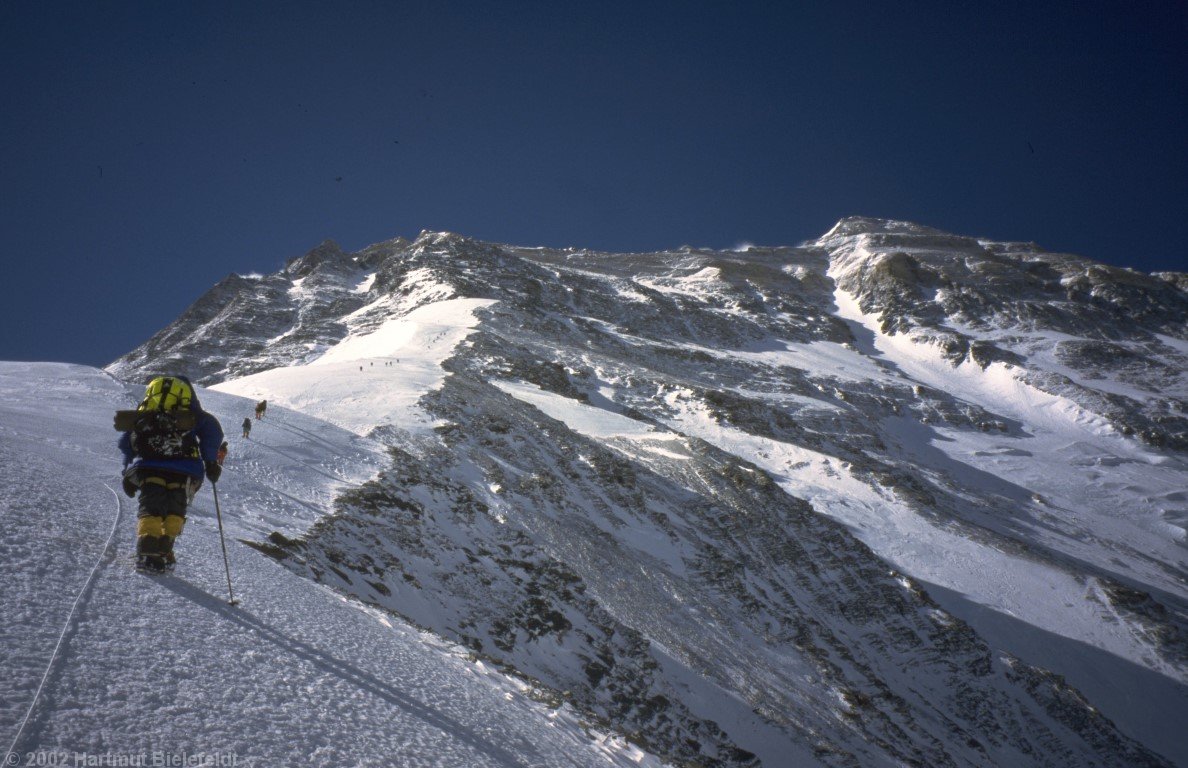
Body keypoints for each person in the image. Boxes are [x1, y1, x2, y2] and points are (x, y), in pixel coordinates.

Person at [119, 376, 223, 572]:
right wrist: (211, 462)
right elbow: (212, 433)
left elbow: (128, 441)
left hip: (149, 467)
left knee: (152, 505)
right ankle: (165, 551)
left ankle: (147, 551)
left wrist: (126, 470)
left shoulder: (147, 412)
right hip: (185, 470)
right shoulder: (192, 413)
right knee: (176, 508)